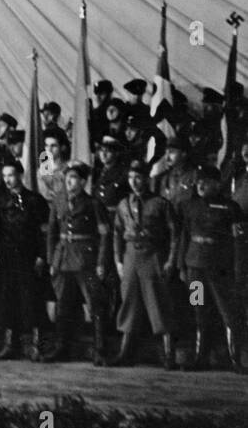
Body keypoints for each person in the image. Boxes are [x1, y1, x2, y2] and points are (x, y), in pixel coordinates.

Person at [107, 159, 179, 369]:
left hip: (153, 255)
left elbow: (174, 234)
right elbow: (117, 234)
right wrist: (118, 260)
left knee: (158, 302)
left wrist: (170, 261)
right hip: (130, 256)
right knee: (129, 301)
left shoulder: (161, 204)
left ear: (147, 179)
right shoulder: (123, 204)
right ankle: (125, 352)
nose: (134, 182)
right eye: (130, 178)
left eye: (138, 177)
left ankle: (169, 355)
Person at [177, 165, 245, 372]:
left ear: (217, 184)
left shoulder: (231, 208)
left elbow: (238, 243)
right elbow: (184, 237)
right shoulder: (189, 206)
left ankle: (237, 360)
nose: (200, 185)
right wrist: (182, 265)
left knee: (228, 313)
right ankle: (200, 358)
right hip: (195, 268)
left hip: (220, 269)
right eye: (198, 182)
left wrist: (238, 269)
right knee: (198, 310)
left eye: (205, 182)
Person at [0, 161, 49, 360]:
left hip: (29, 257)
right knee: (8, 299)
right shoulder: (1, 201)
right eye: (5, 176)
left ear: (20, 175)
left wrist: (41, 256)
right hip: (7, 257)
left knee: (32, 299)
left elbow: (44, 233)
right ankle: (10, 344)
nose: (8, 180)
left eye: (11, 175)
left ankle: (35, 345)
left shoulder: (35, 200)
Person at [45, 161, 110, 364]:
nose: (68, 182)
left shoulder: (93, 204)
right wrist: (52, 260)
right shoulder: (59, 201)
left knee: (95, 305)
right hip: (63, 258)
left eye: (73, 178)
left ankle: (100, 350)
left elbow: (104, 236)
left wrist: (101, 263)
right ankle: (61, 347)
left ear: (83, 181)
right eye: (67, 178)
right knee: (63, 306)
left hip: (85, 259)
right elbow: (52, 232)